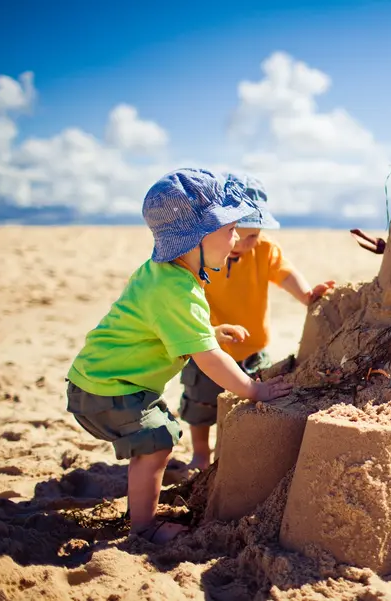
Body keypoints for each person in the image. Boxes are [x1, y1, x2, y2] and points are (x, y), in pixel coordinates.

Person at [65, 168, 292, 544]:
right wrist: (255, 391)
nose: (236, 239)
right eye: (229, 229)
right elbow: (207, 359)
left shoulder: (165, 274)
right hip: (106, 389)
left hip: (96, 380)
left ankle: (143, 512)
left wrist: (210, 334)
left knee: (158, 440)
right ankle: (144, 527)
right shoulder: (177, 290)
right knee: (158, 440)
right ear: (197, 237)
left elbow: (171, 329)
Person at [179, 173, 334, 470]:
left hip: (252, 349)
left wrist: (305, 295)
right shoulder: (206, 252)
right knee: (200, 403)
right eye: (236, 232)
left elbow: (284, 273)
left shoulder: (264, 250)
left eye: (253, 235)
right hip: (207, 345)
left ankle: (238, 452)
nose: (242, 242)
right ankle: (200, 453)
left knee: (257, 400)